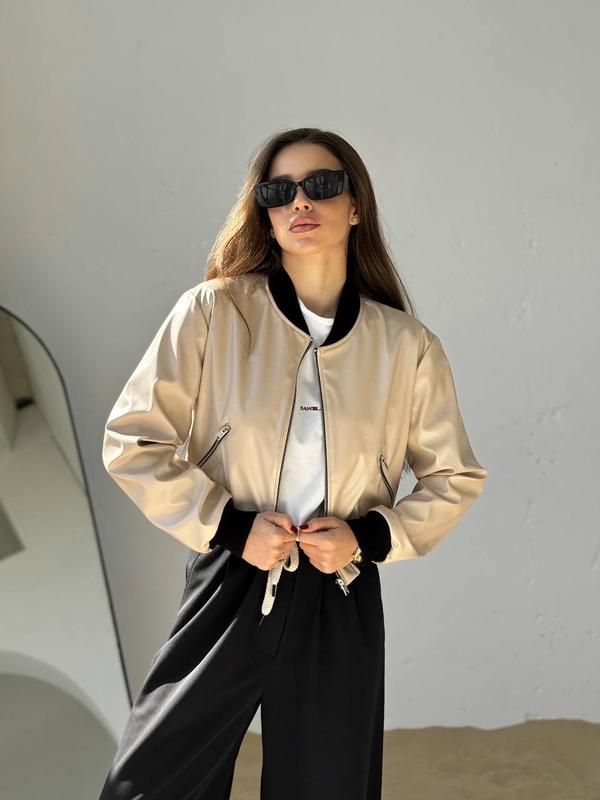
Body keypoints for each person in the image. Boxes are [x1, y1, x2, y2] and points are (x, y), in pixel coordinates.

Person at [98, 127, 487, 800]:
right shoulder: (214, 312)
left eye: (322, 185)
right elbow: (133, 440)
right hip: (232, 574)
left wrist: (367, 538)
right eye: (279, 192)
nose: (299, 202)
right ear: (265, 212)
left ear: (356, 205)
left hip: (341, 591)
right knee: (150, 783)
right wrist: (229, 526)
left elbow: (454, 477)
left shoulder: (406, 346)